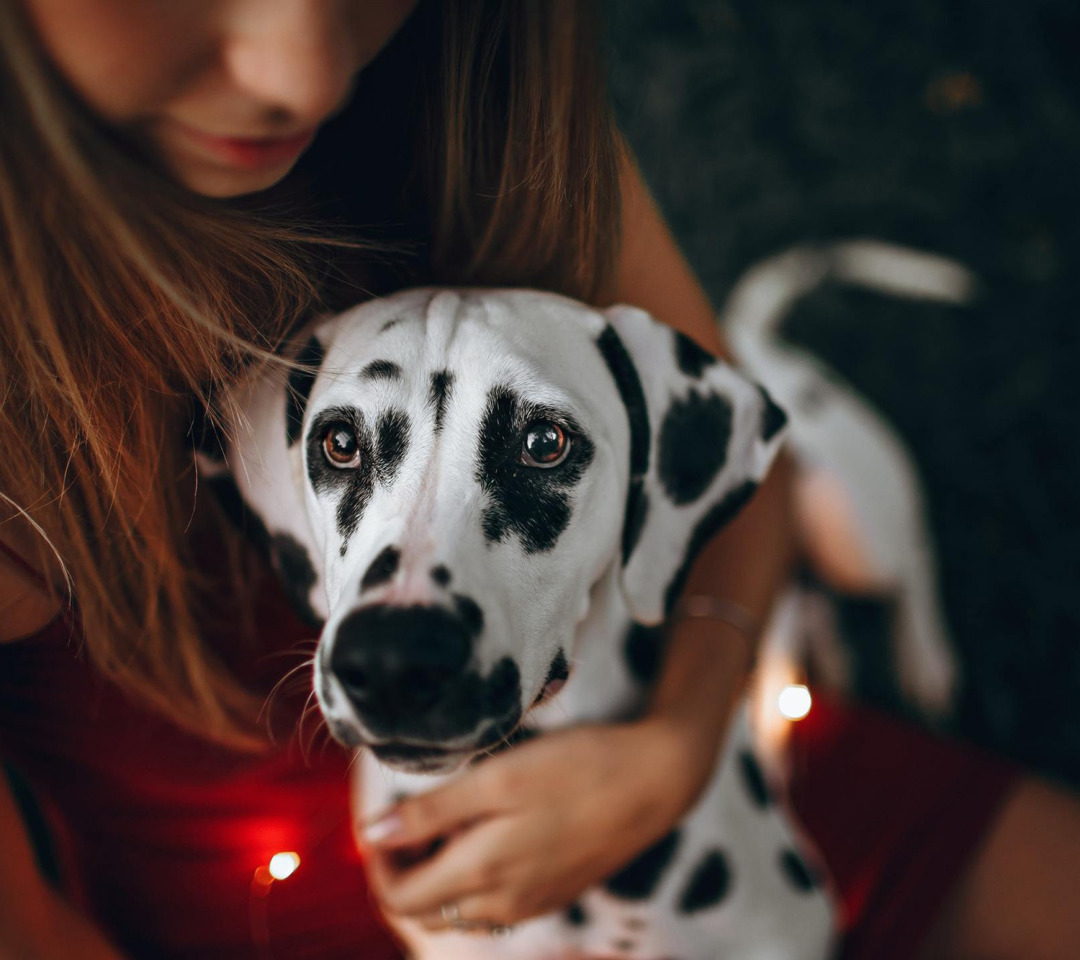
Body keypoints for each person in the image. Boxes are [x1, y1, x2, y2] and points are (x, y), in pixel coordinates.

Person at [0, 1, 1077, 958]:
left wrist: (674, 754)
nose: (308, 71)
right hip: (271, 913)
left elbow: (722, 472)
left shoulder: (451, 95)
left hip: (670, 763)